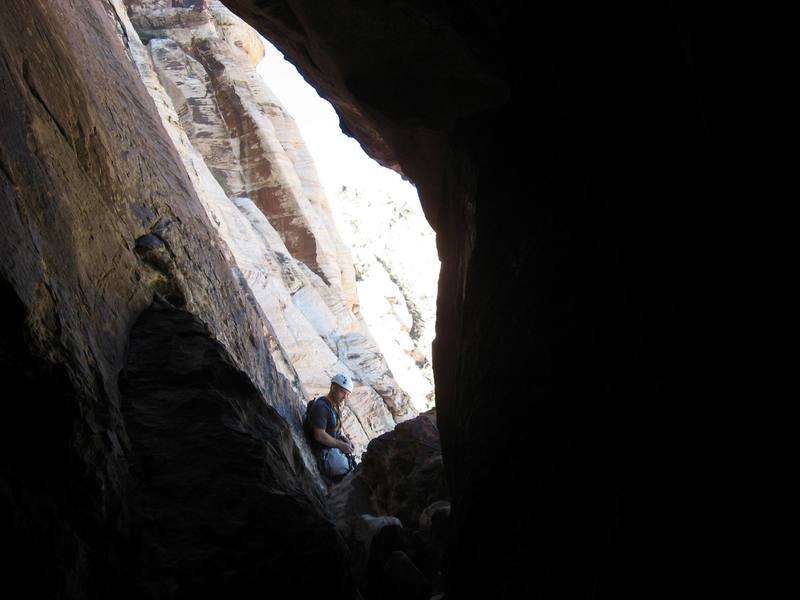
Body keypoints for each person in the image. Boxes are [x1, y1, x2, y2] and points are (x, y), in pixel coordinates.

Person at [308, 373, 356, 482]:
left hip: (330, 447)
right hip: (322, 451)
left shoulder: (333, 406)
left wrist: (345, 440)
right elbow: (319, 435)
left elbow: (334, 430)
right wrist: (341, 445)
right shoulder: (322, 406)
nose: (345, 397)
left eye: (347, 394)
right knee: (346, 475)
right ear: (333, 388)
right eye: (342, 392)